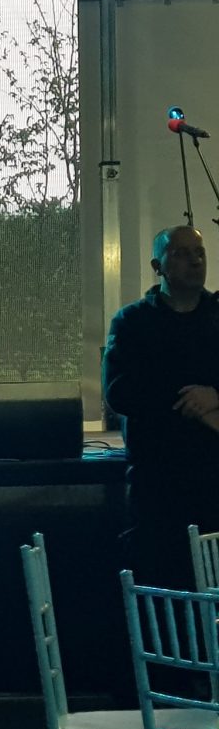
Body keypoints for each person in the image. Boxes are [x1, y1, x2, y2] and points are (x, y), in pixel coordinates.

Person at [103, 225, 219, 590]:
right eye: (181, 253)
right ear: (158, 266)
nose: (195, 261)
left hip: (213, 479)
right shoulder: (133, 322)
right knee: (163, 586)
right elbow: (119, 392)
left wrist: (215, 395)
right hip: (158, 481)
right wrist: (188, 399)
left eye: (199, 253)